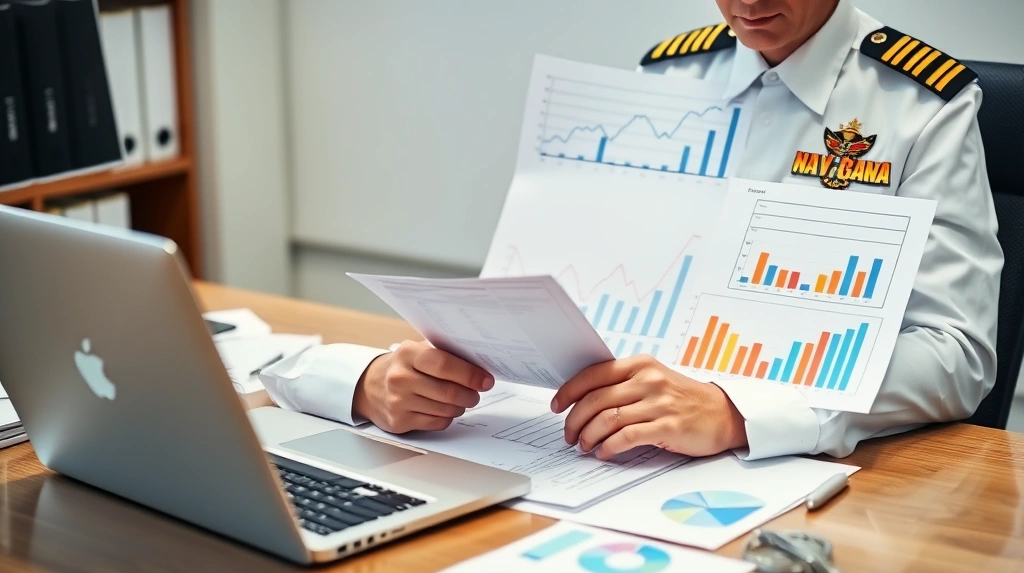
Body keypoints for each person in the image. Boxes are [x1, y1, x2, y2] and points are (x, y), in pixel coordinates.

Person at [261, 0, 1001, 461]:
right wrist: (380, 384)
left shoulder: (919, 104)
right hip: (612, 448)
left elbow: (956, 355)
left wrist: (743, 415)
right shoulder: (669, 78)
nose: (746, 1)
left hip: (795, 468)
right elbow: (581, 294)